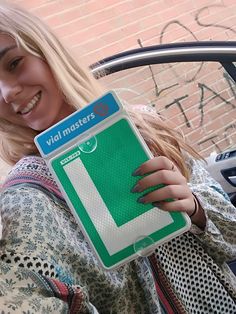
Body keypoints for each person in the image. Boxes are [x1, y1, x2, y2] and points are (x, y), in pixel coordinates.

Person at [0, 2, 235, 313]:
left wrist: (194, 208)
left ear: (48, 51)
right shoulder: (23, 199)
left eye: (14, 63)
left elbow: (231, 230)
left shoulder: (142, 126)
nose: (6, 92)